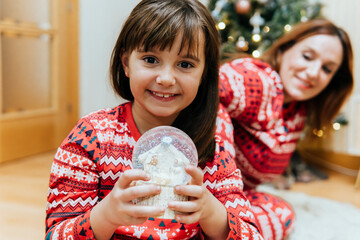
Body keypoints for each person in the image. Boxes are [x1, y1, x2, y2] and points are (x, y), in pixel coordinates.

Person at [45, 0, 264, 239]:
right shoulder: (90, 138)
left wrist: (211, 212)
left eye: (185, 64)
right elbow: (56, 234)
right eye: (150, 59)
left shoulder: (214, 154)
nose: (166, 78)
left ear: (204, 75)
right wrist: (106, 215)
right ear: (126, 62)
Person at [219, 18, 354, 239]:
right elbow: (205, 91)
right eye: (307, 56)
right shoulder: (258, 79)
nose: (313, 72)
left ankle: (214, 226)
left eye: (327, 69)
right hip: (199, 185)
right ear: (283, 50)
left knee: (283, 214)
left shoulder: (296, 113)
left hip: (233, 200)